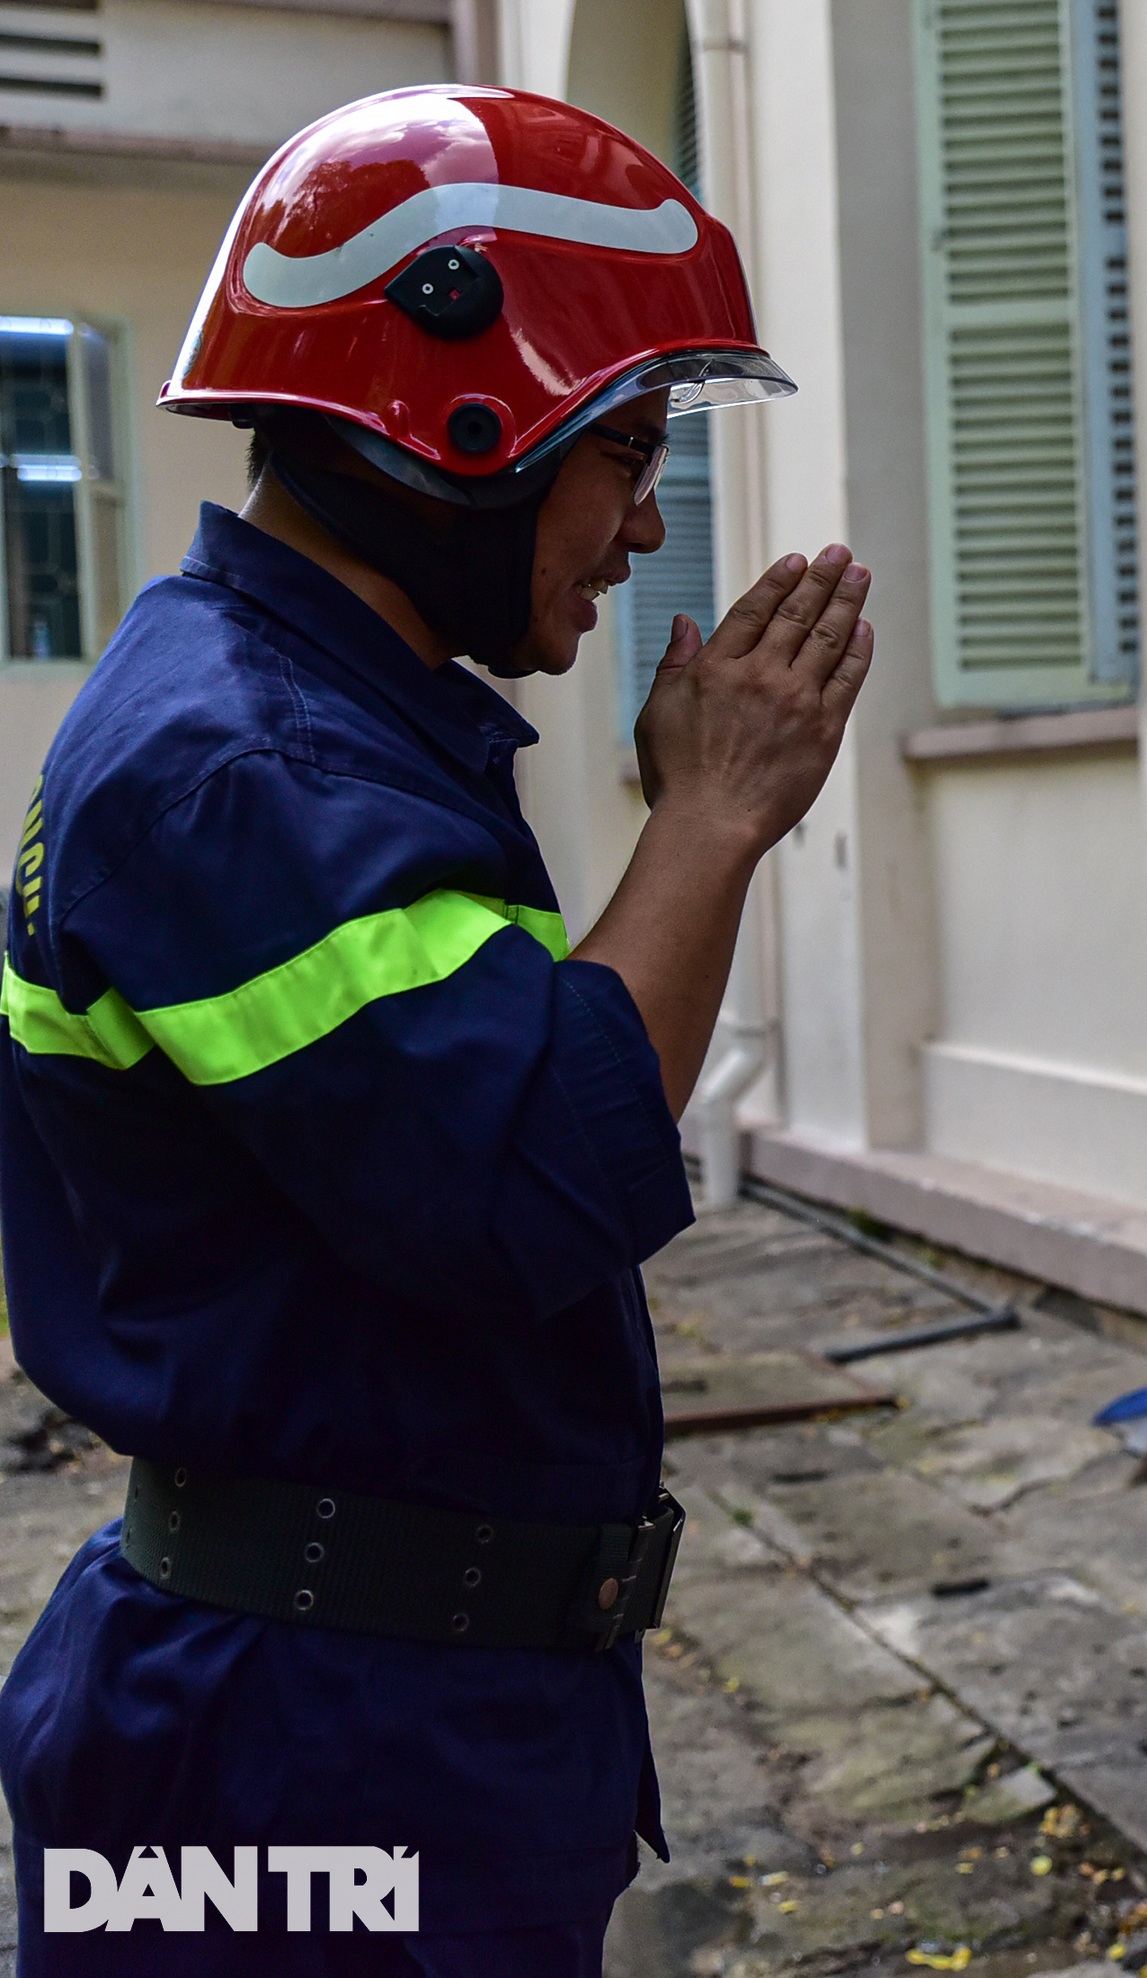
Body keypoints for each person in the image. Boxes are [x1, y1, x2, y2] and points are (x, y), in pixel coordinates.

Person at [0, 87, 875, 1968]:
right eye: (622, 452)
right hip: (303, 1753)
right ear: (454, 428)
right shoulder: (246, 766)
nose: (647, 522)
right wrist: (711, 823)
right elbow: (529, 1184)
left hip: (362, 1713)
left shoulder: (294, 722)